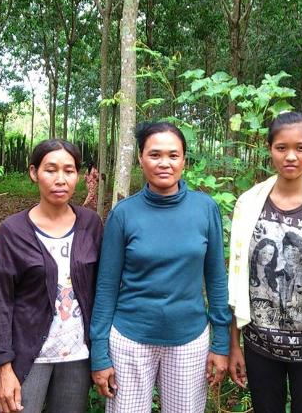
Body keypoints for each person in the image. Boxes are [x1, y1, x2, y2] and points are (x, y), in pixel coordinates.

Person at [90, 122, 231, 413]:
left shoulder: (205, 209)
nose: (164, 163)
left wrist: (221, 343)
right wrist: (100, 353)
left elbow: (217, 279)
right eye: (154, 154)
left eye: (173, 155)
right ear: (140, 158)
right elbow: (106, 287)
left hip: (189, 340)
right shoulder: (123, 214)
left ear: (184, 160)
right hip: (130, 340)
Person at [228, 111, 302, 412]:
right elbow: (238, 277)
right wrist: (233, 345)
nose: (291, 156)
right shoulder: (248, 204)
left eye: (300, 148)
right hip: (260, 345)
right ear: (269, 149)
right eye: (281, 148)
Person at [0, 139, 103, 413]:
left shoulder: (91, 224)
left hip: (77, 355)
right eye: (50, 170)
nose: (60, 179)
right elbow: (1, 302)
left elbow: (101, 289)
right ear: (33, 172)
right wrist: (4, 367)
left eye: (69, 170)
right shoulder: (13, 230)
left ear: (78, 175)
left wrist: (101, 352)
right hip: (28, 356)